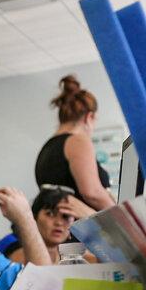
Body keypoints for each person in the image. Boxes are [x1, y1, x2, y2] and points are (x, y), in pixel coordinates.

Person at [35, 75, 115, 211]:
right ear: (89, 117)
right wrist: (120, 217)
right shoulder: (77, 141)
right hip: (80, 227)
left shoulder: (47, 147)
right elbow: (92, 193)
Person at [0, 188, 90, 264]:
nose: (58, 222)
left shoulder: (68, 253)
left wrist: (89, 217)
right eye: (50, 214)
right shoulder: (14, 244)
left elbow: (102, 261)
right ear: (34, 217)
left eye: (65, 216)